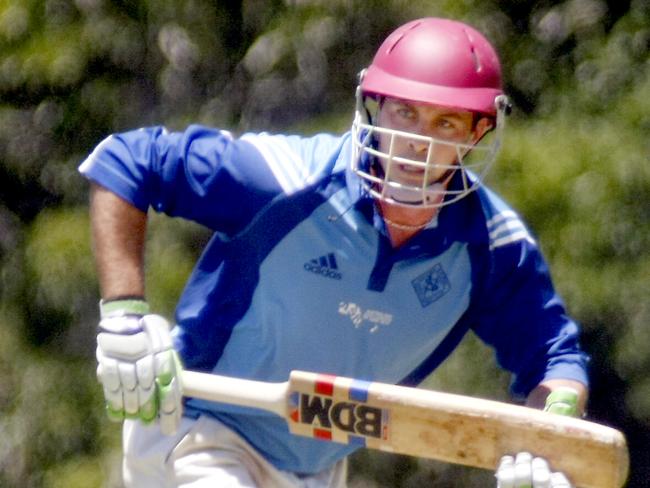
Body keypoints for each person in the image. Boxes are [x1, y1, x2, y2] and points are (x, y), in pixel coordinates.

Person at [80, 17, 589, 488]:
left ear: (479, 131)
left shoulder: (495, 247)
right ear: (374, 103)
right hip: (197, 431)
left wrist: (550, 438)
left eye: (446, 124)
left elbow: (555, 359)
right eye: (405, 113)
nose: (417, 142)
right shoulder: (284, 179)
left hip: (318, 469)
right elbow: (127, 161)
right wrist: (124, 316)